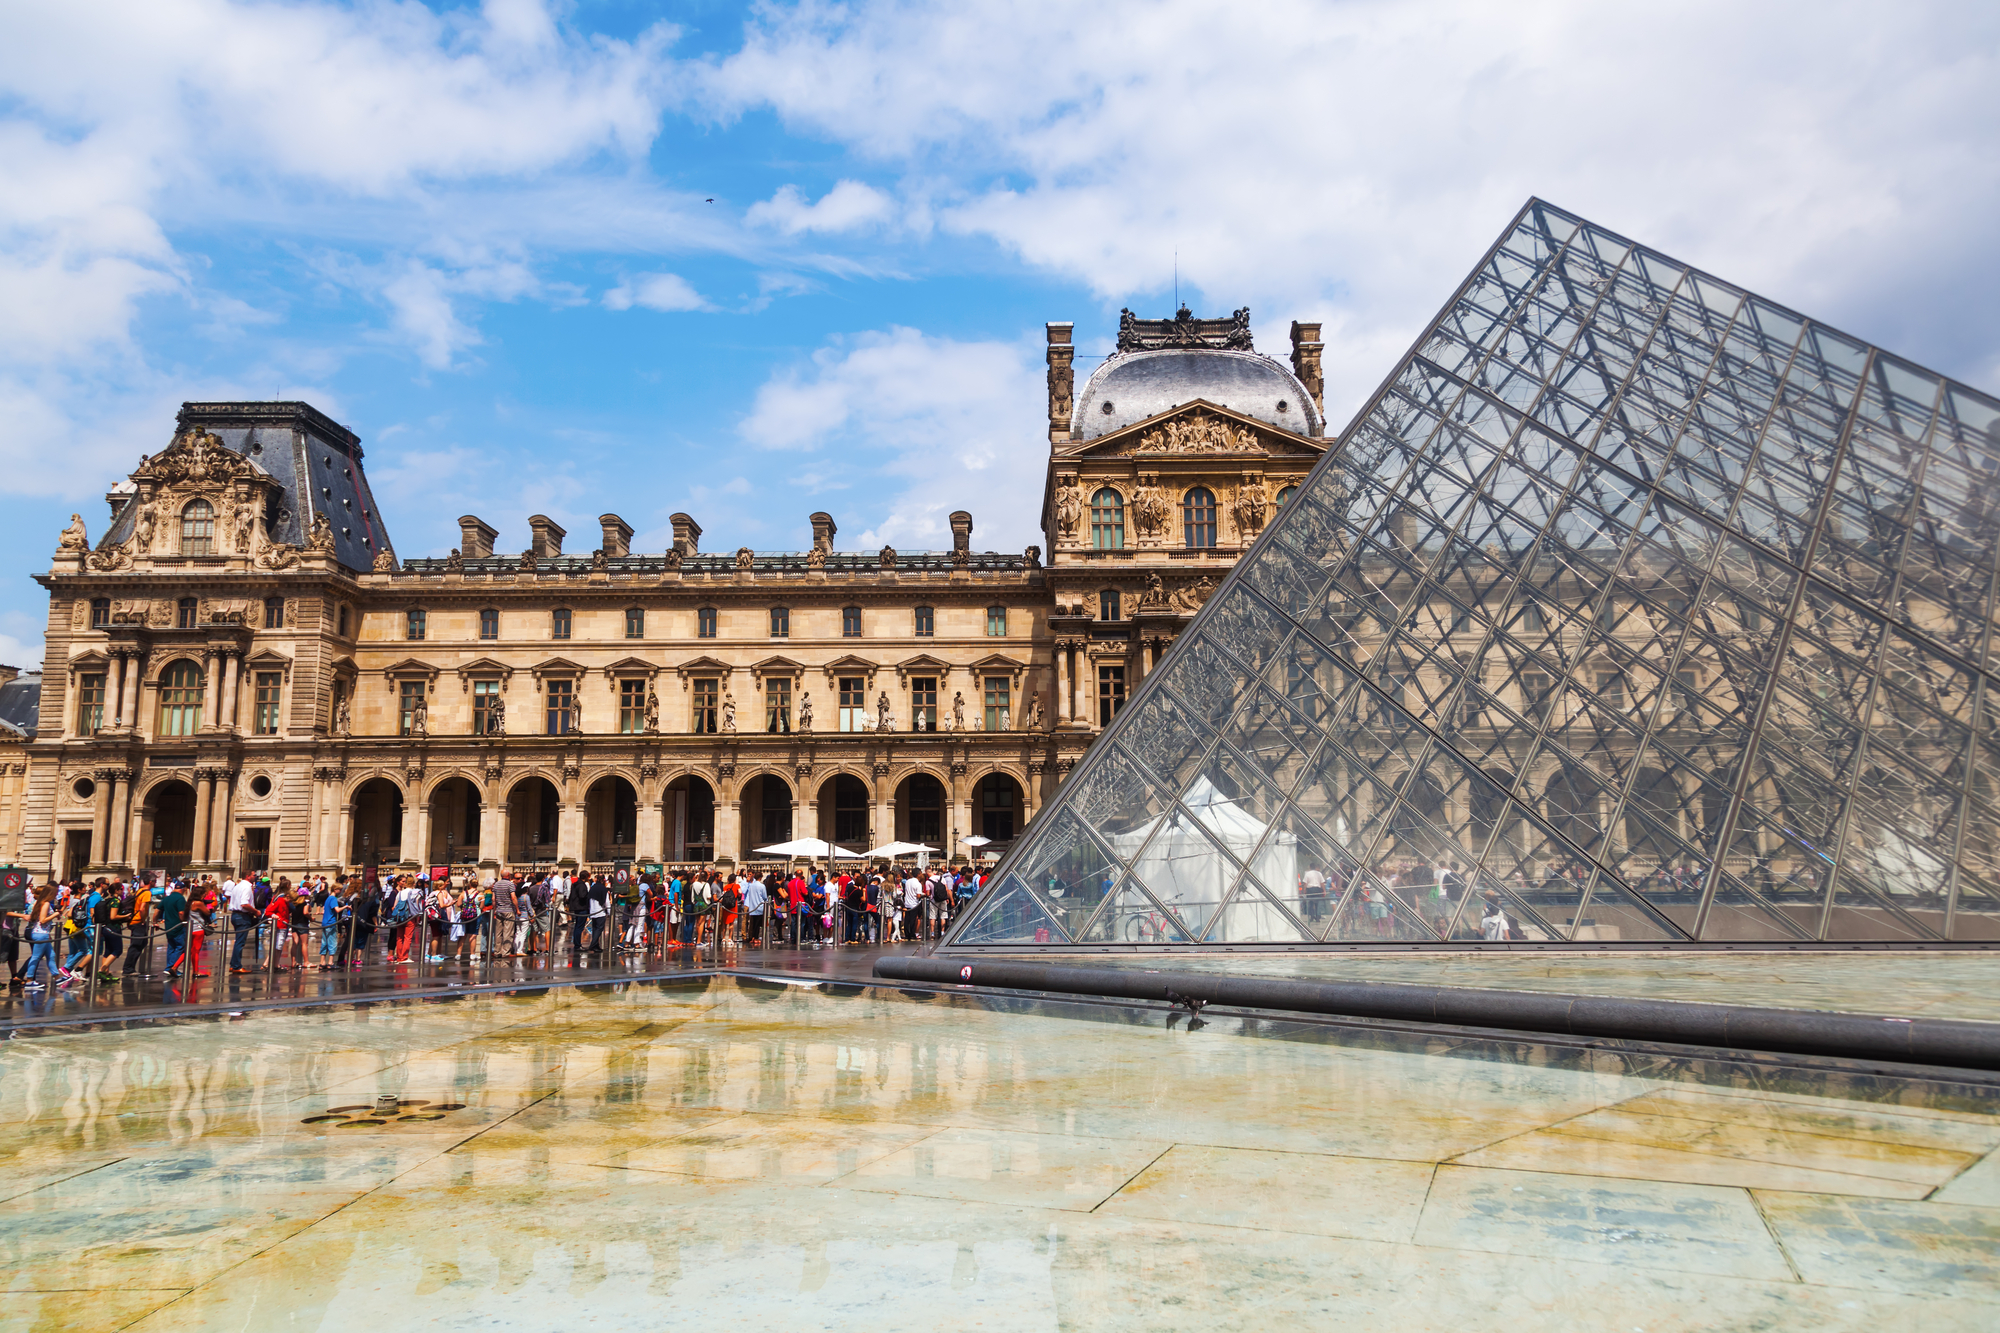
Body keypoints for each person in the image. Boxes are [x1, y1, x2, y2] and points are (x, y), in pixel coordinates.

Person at [22, 885, 59, 990]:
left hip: (42, 933)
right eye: (54, 894)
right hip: (41, 933)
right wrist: (55, 914)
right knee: (36, 957)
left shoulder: (39, 903)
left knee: (51, 955)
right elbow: (42, 920)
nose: (55, 896)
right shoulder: (45, 903)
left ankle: (57, 977)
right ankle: (29, 980)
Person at [225, 872, 258, 972]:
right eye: (254, 875)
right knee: (240, 942)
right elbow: (244, 904)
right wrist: (256, 911)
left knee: (238, 941)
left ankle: (234, 964)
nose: (255, 876)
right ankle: (236, 966)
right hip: (242, 916)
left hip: (235, 915)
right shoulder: (247, 887)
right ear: (247, 876)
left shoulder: (237, 886)